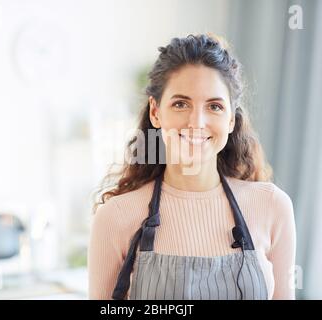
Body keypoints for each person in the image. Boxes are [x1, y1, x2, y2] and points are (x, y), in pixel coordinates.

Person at [88, 34, 296, 300]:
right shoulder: (115, 217)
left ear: (231, 119)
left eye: (214, 106)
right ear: (156, 112)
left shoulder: (273, 207)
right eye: (180, 103)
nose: (196, 122)